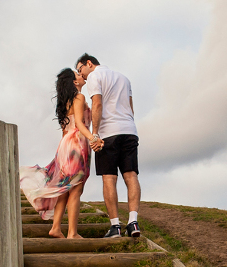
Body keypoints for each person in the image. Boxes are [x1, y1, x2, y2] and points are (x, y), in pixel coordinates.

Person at [20, 68, 94, 238]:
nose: (81, 76)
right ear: (74, 82)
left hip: (65, 144)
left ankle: (56, 228)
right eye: (77, 75)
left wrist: (61, 154)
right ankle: (72, 233)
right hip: (77, 142)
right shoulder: (79, 98)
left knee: (65, 188)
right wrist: (93, 138)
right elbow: (80, 126)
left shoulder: (65, 102)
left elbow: (64, 131)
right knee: (75, 188)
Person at [76, 53, 141, 238]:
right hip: (129, 130)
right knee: (131, 175)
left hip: (108, 133)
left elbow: (97, 104)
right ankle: (133, 222)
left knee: (109, 178)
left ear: (89, 63)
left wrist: (95, 134)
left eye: (81, 70)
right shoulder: (124, 78)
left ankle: (115, 226)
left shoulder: (95, 76)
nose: (83, 76)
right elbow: (131, 108)